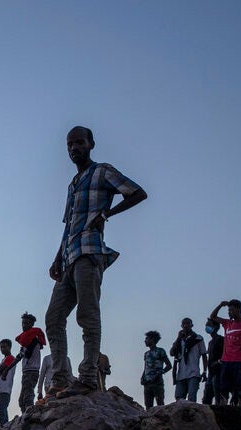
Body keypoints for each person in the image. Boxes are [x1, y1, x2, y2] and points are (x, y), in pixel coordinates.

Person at [44, 126, 147, 399]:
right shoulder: (73, 184)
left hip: (90, 252)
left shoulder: (102, 171)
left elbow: (137, 193)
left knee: (87, 316)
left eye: (79, 142)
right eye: (69, 144)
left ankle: (88, 377)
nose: (74, 148)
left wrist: (108, 213)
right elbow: (68, 227)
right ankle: (61, 379)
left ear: (91, 144)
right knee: (53, 319)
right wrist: (57, 258)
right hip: (69, 256)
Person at [14, 313, 47, 412]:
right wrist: (6, 370)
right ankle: (26, 416)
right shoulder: (26, 341)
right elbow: (19, 356)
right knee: (21, 400)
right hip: (26, 372)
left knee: (27, 397)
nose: (24, 325)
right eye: (23, 323)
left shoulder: (33, 340)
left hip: (31, 371)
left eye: (27, 323)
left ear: (32, 324)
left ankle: (30, 415)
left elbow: (27, 354)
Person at [170, 318, 207, 403]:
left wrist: (205, 371)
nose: (185, 325)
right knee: (179, 399)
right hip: (181, 374)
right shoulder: (180, 341)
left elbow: (204, 355)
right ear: (181, 326)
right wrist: (178, 337)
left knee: (191, 398)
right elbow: (172, 353)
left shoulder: (198, 339)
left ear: (191, 325)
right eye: (184, 324)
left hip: (193, 373)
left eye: (187, 323)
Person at [140, 331, 172, 409]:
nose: (145, 341)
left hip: (157, 382)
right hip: (147, 383)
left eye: (147, 339)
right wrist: (142, 377)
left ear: (152, 339)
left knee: (160, 404)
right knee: (148, 406)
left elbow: (169, 366)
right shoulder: (146, 353)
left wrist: (160, 373)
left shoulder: (160, 351)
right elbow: (146, 367)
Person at [0, 339, 16, 427]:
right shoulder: (4, 359)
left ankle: (5, 429)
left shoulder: (10, 358)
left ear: (9, 347)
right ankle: (2, 429)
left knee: (2, 411)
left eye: (4, 347)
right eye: (1, 347)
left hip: (5, 389)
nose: (2, 349)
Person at [201, 319, 224, 405]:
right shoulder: (210, 342)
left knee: (218, 398)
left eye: (209, 325)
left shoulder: (221, 340)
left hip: (218, 373)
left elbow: (226, 354)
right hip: (211, 374)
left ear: (215, 327)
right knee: (206, 400)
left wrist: (218, 362)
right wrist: (205, 371)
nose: (207, 327)